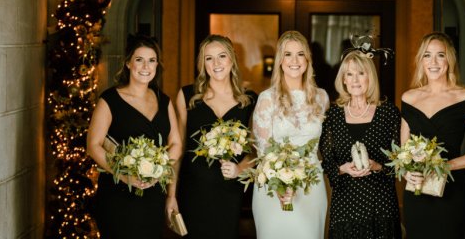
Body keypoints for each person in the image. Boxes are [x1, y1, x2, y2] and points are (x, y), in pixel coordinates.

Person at [87, 34, 182, 238]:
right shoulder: (109, 100)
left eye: (152, 60)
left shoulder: (164, 101)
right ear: (128, 63)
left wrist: (158, 169)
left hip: (153, 196)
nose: (145, 66)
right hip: (117, 196)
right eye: (139, 60)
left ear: (157, 65)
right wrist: (123, 175)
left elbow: (176, 144)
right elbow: (93, 145)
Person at [400, 32, 465, 239]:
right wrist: (407, 173)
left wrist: (446, 166)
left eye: (440, 55)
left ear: (449, 59)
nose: (433, 62)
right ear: (421, 60)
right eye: (427, 55)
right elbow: (403, 150)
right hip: (416, 193)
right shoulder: (409, 98)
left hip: (451, 192)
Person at [168, 34, 257, 239]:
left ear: (232, 59)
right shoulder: (188, 95)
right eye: (209, 58)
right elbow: (177, 148)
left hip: (229, 194)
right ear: (202, 63)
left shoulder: (249, 100)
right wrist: (171, 196)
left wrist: (239, 169)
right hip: (193, 192)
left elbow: (255, 151)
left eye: (222, 56)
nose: (216, 63)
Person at [251, 30, 329, 239]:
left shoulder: (322, 97)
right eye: (288, 54)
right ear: (279, 60)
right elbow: (263, 151)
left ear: (308, 59)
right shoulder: (267, 99)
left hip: (311, 187)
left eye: (300, 54)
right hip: (274, 187)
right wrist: (280, 184)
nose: (294, 60)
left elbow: (327, 145)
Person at [320, 49, 402, 238]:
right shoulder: (333, 116)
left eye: (361, 73)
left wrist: (377, 166)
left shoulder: (388, 113)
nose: (355, 80)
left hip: (380, 204)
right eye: (349, 74)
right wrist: (343, 169)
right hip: (345, 205)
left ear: (370, 78)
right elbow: (327, 160)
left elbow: (400, 163)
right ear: (344, 80)